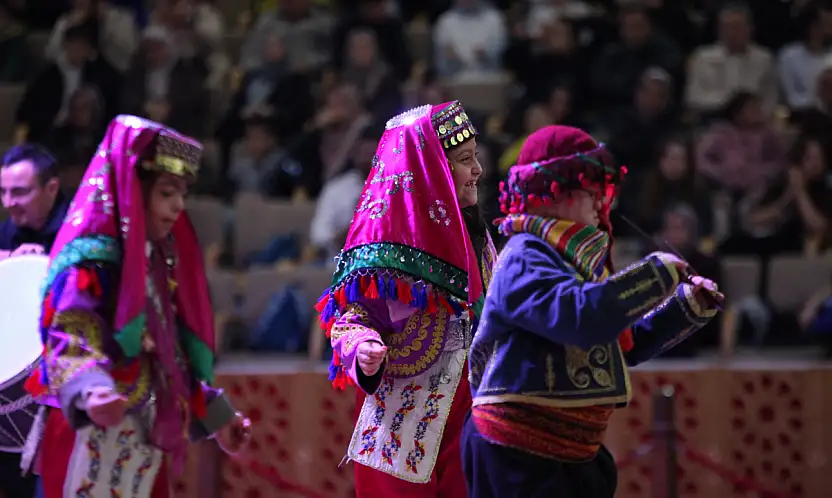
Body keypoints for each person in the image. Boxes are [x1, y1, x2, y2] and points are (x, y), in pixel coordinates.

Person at [461, 125, 723, 498]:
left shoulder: (574, 260)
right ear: (554, 193)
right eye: (590, 191)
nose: (601, 203)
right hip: (519, 457)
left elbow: (622, 345)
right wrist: (655, 275)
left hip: (572, 457)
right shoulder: (524, 255)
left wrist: (688, 307)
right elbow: (580, 319)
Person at [24, 115, 251, 498]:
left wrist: (216, 416)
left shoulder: (154, 262)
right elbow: (69, 334)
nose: (179, 206)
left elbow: (169, 352)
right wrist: (94, 390)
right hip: (86, 426)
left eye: (182, 194)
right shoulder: (89, 261)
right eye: (166, 193)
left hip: (141, 434)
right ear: (131, 189)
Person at [315, 101, 497, 497]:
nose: (478, 171)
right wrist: (363, 348)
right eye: (466, 160)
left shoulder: (477, 239)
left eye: (476, 158)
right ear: (434, 172)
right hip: (402, 436)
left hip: (470, 430)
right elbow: (349, 320)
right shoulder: (384, 251)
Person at [0, 144, 69, 498]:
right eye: (4, 192)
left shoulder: (78, 231)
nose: (9, 201)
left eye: (20, 191)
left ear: (51, 189)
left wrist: (49, 261)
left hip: (61, 392)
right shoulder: (7, 232)